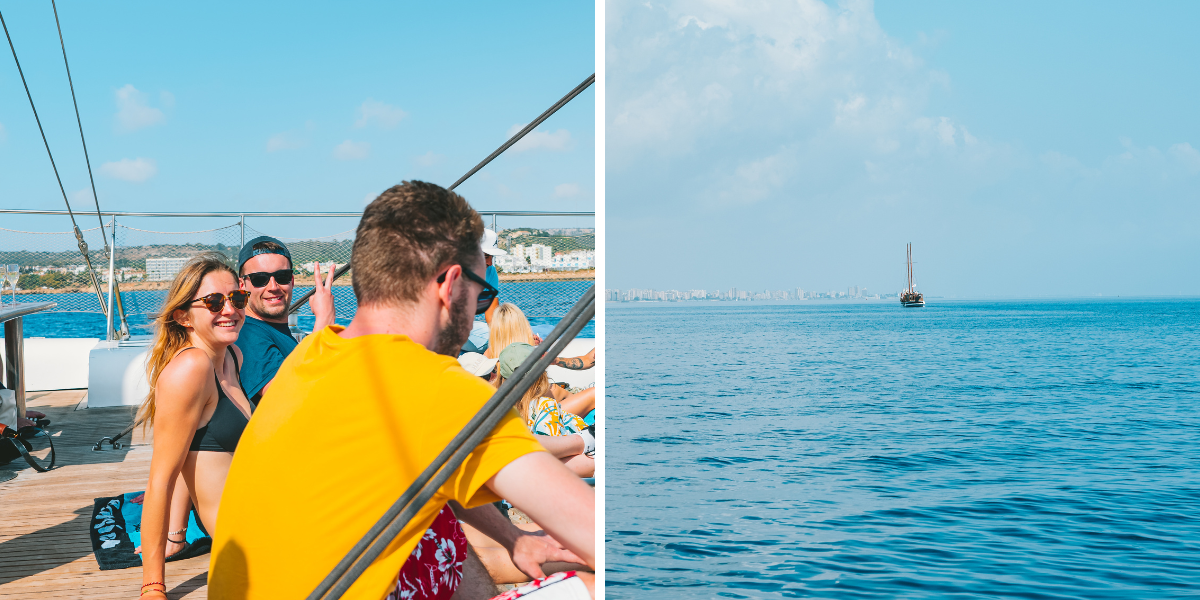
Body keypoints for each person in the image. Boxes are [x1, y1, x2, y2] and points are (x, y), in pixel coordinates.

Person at [210, 181, 594, 599]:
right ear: (450, 285)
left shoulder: (311, 357)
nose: (476, 310)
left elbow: (428, 470)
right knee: (594, 585)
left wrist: (512, 537)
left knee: (431, 520)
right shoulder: (439, 388)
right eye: (481, 293)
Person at [134, 254, 255, 600]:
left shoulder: (232, 357)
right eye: (214, 302)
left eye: (237, 298)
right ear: (184, 316)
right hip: (246, 537)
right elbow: (162, 479)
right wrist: (153, 586)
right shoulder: (190, 370)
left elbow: (197, 452)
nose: (230, 310)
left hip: (264, 508)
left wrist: (177, 533)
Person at [233, 236, 337, 403]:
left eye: (282, 276)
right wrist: (325, 320)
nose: (273, 287)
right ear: (242, 286)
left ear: (292, 281)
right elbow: (291, 398)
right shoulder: (247, 334)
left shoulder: (275, 331)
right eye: (260, 279)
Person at [494, 343, 593, 478]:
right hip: (564, 463)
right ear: (542, 374)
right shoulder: (545, 406)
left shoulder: (498, 407)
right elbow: (556, 451)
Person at [485, 303, 595, 419]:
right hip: (535, 416)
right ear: (522, 327)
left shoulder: (488, 356)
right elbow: (546, 390)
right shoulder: (528, 355)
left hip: (510, 415)